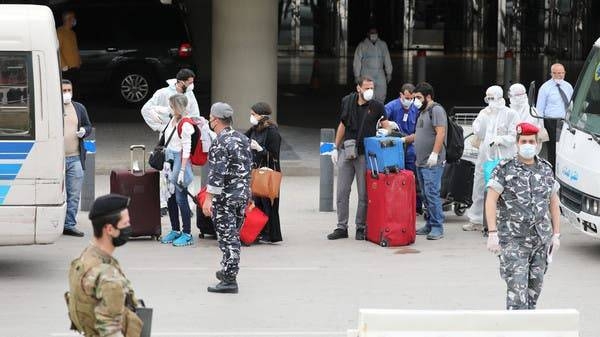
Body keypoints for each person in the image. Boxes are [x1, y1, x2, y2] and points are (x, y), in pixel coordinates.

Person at [486, 122, 561, 310]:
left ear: (537, 144)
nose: (528, 144)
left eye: (531, 141)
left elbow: (553, 202)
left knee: (533, 295)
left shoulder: (545, 168)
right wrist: (492, 232)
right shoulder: (505, 168)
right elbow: (491, 200)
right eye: (523, 141)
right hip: (514, 241)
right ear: (517, 143)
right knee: (517, 297)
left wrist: (556, 235)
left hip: (540, 241)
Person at [66, 194, 144, 336]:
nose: (129, 229)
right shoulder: (107, 275)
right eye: (125, 224)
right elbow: (110, 328)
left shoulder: (85, 258)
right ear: (109, 229)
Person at [141, 68, 210, 216]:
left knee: (186, 171)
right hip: (169, 136)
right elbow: (146, 109)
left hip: (184, 134)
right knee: (165, 171)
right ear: (180, 82)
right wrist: (159, 126)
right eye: (189, 82)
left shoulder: (190, 94)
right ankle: (163, 203)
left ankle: (188, 204)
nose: (191, 85)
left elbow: (195, 115)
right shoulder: (163, 93)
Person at [327, 76, 388, 241]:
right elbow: (342, 124)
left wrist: (387, 131)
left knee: (363, 194)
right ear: (358, 88)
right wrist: (335, 147)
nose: (370, 91)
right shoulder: (348, 102)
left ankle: (361, 227)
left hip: (364, 154)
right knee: (342, 192)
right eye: (367, 88)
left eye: (372, 88)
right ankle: (341, 227)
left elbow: (386, 125)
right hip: (347, 151)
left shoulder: (377, 106)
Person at [202, 102, 252, 293]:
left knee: (228, 238)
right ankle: (226, 269)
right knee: (233, 235)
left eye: (210, 117)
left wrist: (208, 199)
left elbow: (216, 174)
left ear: (215, 120)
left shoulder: (220, 142)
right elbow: (248, 168)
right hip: (241, 196)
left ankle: (230, 279)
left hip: (225, 199)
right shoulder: (242, 138)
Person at [463, 85, 520, 232]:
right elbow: (479, 132)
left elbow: (514, 135)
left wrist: (500, 139)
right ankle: (476, 219)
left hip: (504, 156)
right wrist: (483, 117)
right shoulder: (484, 112)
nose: (489, 100)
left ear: (500, 97)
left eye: (492, 97)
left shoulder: (510, 114)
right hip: (485, 156)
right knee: (480, 185)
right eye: (487, 97)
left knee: (506, 188)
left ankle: (507, 220)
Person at [159, 94, 196, 247]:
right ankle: (175, 230)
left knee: (181, 198)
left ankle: (187, 233)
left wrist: (181, 170)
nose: (169, 107)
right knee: (170, 197)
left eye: (171, 105)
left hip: (180, 160)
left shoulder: (186, 124)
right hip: (169, 159)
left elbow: (186, 149)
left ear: (177, 107)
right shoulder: (172, 120)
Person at [245, 102, 283, 243]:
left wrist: (260, 149)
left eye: (253, 114)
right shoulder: (254, 128)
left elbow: (274, 155)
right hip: (257, 171)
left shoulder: (272, 131)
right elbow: (243, 138)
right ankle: (260, 230)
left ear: (262, 115)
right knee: (258, 202)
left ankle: (271, 234)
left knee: (269, 203)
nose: (251, 117)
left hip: (268, 173)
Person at [413, 82, 446, 240]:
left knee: (432, 193)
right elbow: (419, 135)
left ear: (428, 97)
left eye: (418, 97)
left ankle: (438, 226)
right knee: (425, 195)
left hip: (432, 162)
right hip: (420, 162)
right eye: (414, 98)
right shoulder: (422, 112)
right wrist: (402, 139)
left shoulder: (436, 110)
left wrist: (435, 154)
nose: (415, 101)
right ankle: (429, 223)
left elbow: (440, 133)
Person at [384, 82, 422, 213]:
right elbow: (381, 120)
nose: (409, 101)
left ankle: (416, 206)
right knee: (394, 175)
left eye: (412, 98)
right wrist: (388, 126)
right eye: (407, 98)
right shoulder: (391, 106)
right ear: (401, 95)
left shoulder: (415, 108)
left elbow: (421, 129)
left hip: (410, 146)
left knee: (413, 177)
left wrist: (411, 138)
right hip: (395, 146)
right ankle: (395, 204)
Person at [62, 79, 92, 237]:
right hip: (57, 159)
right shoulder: (53, 107)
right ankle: (56, 223)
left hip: (75, 158)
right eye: (64, 90)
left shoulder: (79, 108)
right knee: (57, 193)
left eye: (69, 90)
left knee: (74, 194)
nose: (67, 93)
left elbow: (88, 126)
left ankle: (69, 224)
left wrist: (83, 131)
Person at [536, 63, 573, 170]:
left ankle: (563, 169)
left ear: (565, 73)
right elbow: (539, 109)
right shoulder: (545, 88)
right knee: (553, 148)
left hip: (565, 121)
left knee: (565, 147)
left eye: (561, 73)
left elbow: (571, 104)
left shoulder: (568, 86)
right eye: (556, 73)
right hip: (551, 121)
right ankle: (552, 171)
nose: (559, 75)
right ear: (551, 74)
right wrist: (541, 127)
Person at [353, 28, 393, 102]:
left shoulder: (382, 45)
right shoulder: (362, 45)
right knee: (368, 95)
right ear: (368, 34)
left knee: (381, 94)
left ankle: (379, 111)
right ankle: (368, 112)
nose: (373, 34)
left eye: (375, 33)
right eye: (372, 33)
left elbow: (387, 59)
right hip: (366, 73)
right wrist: (357, 75)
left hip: (380, 73)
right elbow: (357, 61)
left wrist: (389, 72)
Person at [508, 83, 546, 153]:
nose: (510, 98)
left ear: (518, 96)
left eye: (511, 95)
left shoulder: (531, 113)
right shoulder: (514, 110)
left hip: (528, 150)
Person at [57, 11, 81, 86]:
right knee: (68, 90)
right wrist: (63, 65)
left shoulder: (72, 33)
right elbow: (58, 49)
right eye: (73, 18)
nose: (74, 20)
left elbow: (75, 48)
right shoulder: (60, 32)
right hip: (67, 69)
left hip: (75, 67)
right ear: (68, 19)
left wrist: (79, 60)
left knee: (76, 88)